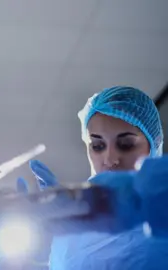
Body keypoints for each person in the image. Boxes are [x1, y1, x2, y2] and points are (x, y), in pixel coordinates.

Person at [20, 86, 166, 269]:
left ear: (155, 144)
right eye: (97, 145)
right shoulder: (74, 228)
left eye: (126, 144)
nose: (110, 159)